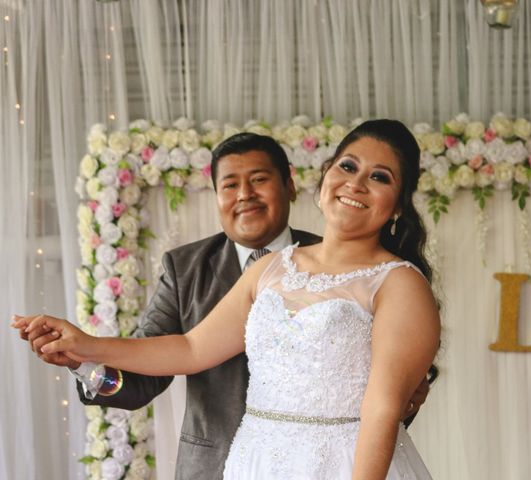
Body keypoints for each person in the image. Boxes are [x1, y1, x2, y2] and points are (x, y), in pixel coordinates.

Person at [16, 130, 434, 479]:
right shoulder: (268, 268)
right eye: (347, 166)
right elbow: (191, 349)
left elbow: (382, 408)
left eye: (379, 177)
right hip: (250, 462)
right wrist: (85, 345)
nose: (356, 184)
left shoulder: (399, 284)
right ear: (325, 175)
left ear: (398, 203)